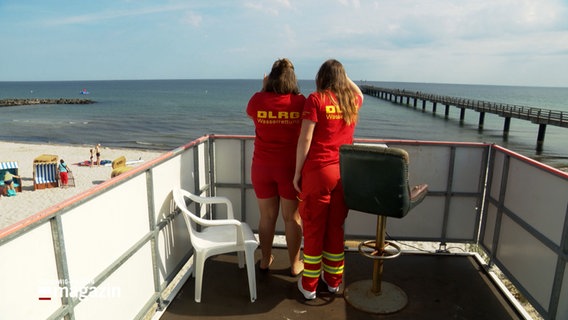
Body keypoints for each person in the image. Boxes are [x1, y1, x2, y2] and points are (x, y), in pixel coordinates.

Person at [293, 59, 364, 300]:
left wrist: (297, 173)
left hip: (319, 172)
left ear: (321, 77)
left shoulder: (316, 99)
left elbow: (305, 140)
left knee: (313, 229)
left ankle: (310, 285)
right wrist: (344, 77)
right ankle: (333, 281)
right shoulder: (352, 101)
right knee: (335, 228)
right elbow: (358, 91)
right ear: (343, 79)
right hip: (343, 172)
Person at [246, 58, 305, 276]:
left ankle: (264, 260)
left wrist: (263, 89)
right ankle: (294, 263)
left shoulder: (257, 100)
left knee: (267, 217)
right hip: (289, 169)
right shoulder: (299, 102)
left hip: (261, 168)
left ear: (270, 77)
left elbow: (251, 112)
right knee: (292, 218)